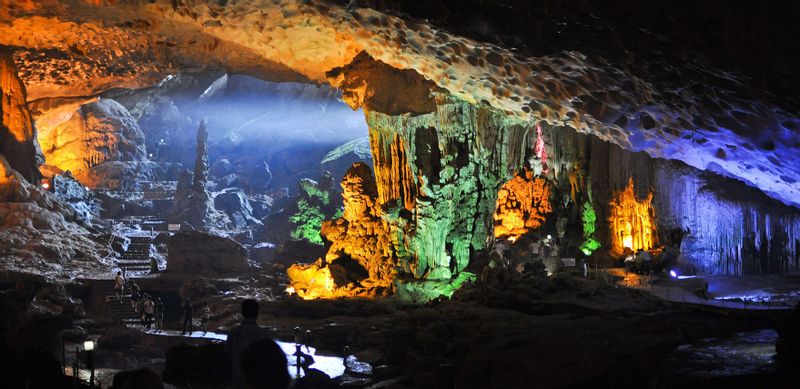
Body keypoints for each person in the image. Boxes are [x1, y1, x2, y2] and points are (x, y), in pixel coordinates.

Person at [227, 299, 272, 389]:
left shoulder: (233, 333)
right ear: (257, 313)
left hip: (237, 382)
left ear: (242, 312)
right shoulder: (264, 334)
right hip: (258, 383)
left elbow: (228, 356)